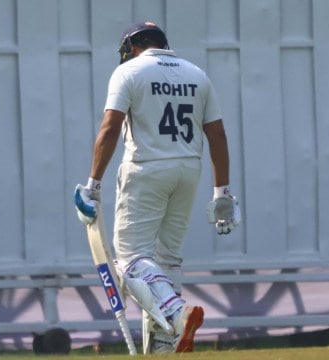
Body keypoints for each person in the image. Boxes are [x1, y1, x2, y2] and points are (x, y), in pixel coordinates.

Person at [74, 21, 241, 354]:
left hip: (146, 169)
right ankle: (164, 346)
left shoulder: (130, 72)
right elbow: (218, 136)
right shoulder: (197, 74)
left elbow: (110, 129)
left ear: (132, 47)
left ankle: (178, 314)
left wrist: (92, 185)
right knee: (167, 263)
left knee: (132, 261)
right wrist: (221, 192)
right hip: (187, 170)